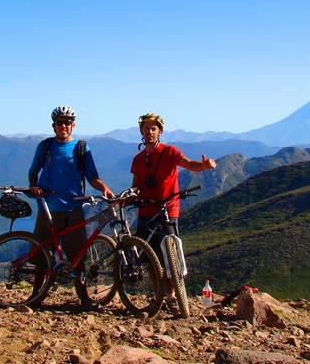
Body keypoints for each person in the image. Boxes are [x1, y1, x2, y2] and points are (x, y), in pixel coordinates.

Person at [130, 112, 216, 303]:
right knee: (151, 257)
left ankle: (171, 295)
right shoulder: (138, 159)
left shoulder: (170, 152)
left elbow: (189, 165)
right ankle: (158, 295)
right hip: (146, 210)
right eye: (146, 128)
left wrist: (203, 166)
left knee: (170, 256)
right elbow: (136, 185)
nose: (149, 132)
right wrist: (129, 196)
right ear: (141, 132)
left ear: (160, 131)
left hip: (168, 210)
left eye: (153, 128)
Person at [28, 106, 114, 274]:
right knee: (41, 256)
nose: (64, 126)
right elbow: (33, 172)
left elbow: (92, 177)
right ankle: (37, 295)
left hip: (73, 209)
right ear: (53, 126)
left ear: (73, 125)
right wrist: (34, 187)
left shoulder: (81, 148)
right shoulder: (45, 146)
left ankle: (83, 297)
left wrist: (105, 189)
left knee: (77, 257)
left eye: (68, 122)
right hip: (47, 208)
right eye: (60, 122)